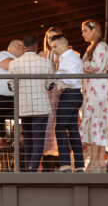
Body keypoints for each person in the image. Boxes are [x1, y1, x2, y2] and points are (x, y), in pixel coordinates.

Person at [9, 35, 54, 172]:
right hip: (41, 106)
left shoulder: (13, 64)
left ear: (23, 47)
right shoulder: (46, 63)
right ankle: (33, 168)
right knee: (38, 137)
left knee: (27, 136)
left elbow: (12, 86)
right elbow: (50, 85)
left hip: (23, 106)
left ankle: (28, 165)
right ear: (36, 46)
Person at [51, 33, 84, 172]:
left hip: (70, 94)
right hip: (75, 94)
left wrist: (55, 77)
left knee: (60, 128)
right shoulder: (71, 57)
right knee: (73, 130)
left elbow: (70, 79)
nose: (53, 50)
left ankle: (65, 165)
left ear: (63, 45)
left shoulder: (68, 58)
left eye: (55, 46)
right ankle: (79, 165)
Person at [80, 19, 108, 172]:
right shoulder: (91, 48)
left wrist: (82, 64)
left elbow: (98, 67)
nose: (83, 34)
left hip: (97, 89)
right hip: (91, 89)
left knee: (97, 122)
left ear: (94, 30)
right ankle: (97, 161)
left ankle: (96, 160)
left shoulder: (101, 46)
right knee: (95, 122)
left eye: (85, 30)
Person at [38, 27, 61, 169]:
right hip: (45, 92)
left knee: (59, 125)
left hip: (60, 93)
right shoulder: (42, 54)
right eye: (49, 37)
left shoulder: (65, 54)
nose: (51, 40)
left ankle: (63, 163)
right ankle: (40, 163)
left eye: (54, 36)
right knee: (44, 125)